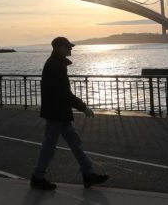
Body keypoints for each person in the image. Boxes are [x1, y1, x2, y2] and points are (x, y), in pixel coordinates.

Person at [30, 36, 109, 190]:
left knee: (74, 143)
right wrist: (83, 107)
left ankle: (88, 174)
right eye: (68, 46)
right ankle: (38, 176)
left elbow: (62, 93)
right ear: (59, 47)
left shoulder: (56, 63)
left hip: (59, 112)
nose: (71, 48)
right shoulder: (55, 65)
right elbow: (64, 93)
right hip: (56, 113)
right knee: (50, 145)